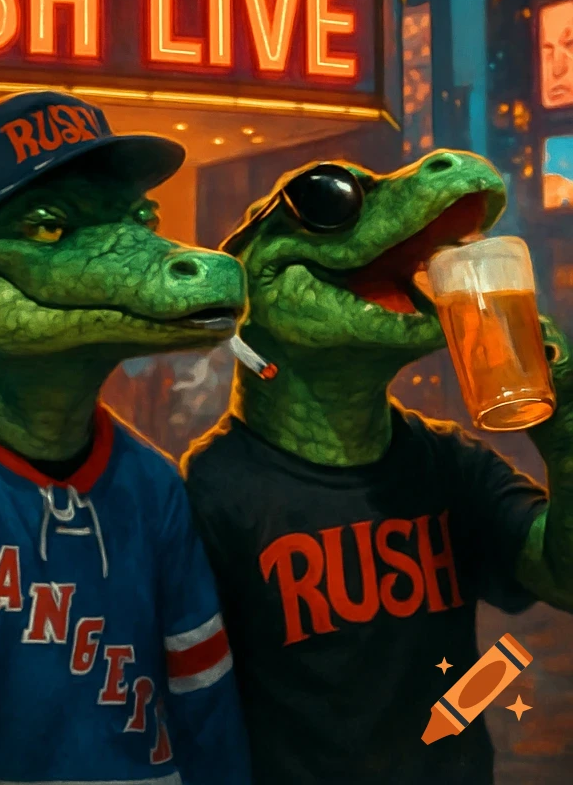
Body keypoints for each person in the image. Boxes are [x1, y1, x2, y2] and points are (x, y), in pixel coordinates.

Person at [0, 90, 253, 785]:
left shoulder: (151, 481)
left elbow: (205, 705)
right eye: (48, 226)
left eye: (140, 218)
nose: (153, 247)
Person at [183, 152, 573, 785]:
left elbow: (562, 575)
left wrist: (565, 425)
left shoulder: (450, 461)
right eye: (329, 199)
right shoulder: (209, 486)